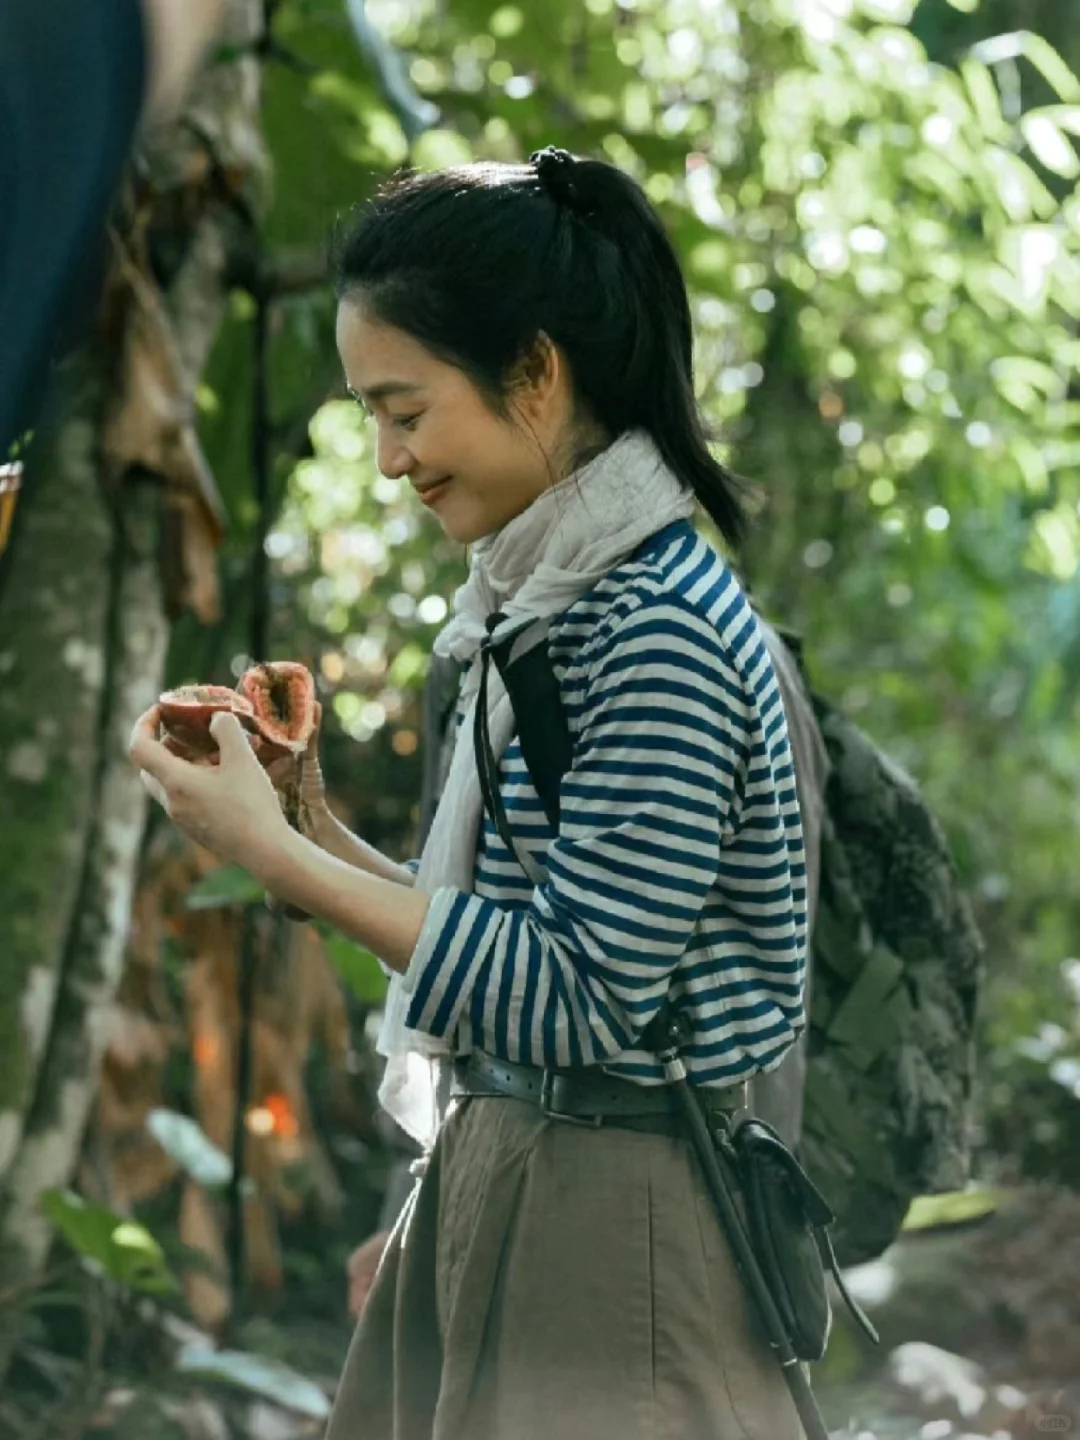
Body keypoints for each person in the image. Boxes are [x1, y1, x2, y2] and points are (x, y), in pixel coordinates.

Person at [129, 146, 810, 1440]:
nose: (388, 461)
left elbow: (576, 993)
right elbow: (504, 935)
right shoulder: (555, 600)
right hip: (531, 1168)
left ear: (537, 375)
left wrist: (277, 859)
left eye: (406, 409)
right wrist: (309, 821)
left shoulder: (652, 628)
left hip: (618, 1219)